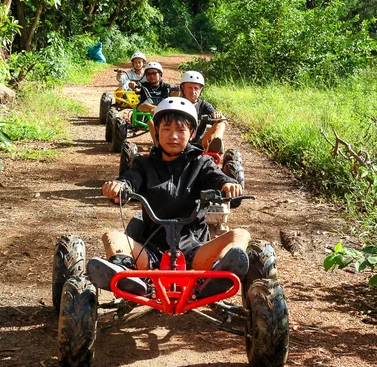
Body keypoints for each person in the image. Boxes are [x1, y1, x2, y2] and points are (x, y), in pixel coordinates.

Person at [92, 98, 260, 297]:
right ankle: (128, 277)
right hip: (150, 252)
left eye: (181, 130)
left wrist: (227, 184)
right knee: (111, 235)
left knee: (240, 235)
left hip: (196, 253)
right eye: (166, 129)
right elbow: (130, 179)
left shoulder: (202, 163)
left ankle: (216, 276)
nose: (173, 136)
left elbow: (217, 177)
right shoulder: (143, 165)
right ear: (156, 132)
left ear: (192, 134)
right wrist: (119, 186)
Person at [179, 70, 226, 152]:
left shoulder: (204, 105)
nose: (193, 92)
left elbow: (219, 116)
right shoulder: (175, 103)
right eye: (189, 88)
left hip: (199, 143)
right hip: (177, 141)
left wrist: (217, 115)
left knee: (221, 121)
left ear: (201, 90)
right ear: (182, 88)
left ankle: (216, 141)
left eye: (196, 88)